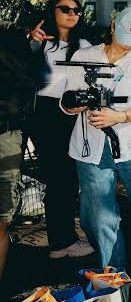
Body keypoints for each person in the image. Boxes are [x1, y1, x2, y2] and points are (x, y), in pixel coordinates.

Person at [61, 7, 131, 296]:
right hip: (91, 148)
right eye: (125, 37)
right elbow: (67, 100)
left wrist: (119, 116)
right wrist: (73, 106)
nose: (129, 46)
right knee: (99, 219)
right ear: (113, 26)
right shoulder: (84, 57)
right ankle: (114, 280)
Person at [27, 0, 94, 259]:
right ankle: (61, 241)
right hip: (45, 113)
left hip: (74, 112)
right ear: (52, 11)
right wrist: (31, 40)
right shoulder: (40, 41)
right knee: (58, 177)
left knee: (69, 178)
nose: (72, 14)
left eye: (77, 10)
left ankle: (63, 238)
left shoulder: (84, 45)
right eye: (65, 9)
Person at [0, 21, 35, 290]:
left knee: (1, 219)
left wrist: (28, 37)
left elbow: (26, 79)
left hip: (6, 135)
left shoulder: (11, 41)